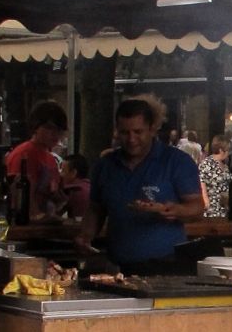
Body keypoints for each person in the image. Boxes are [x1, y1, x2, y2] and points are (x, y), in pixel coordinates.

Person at [76, 96, 204, 272]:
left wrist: (170, 210)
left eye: (138, 132)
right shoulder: (105, 165)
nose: (131, 139)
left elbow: (197, 207)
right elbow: (96, 209)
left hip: (167, 265)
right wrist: (86, 235)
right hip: (117, 267)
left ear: (152, 129)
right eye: (124, 132)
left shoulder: (177, 161)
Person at [3, 100, 70, 222]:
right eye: (49, 128)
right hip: (27, 226)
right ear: (35, 127)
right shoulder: (24, 154)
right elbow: (19, 196)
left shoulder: (50, 158)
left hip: (45, 226)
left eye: (59, 130)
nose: (55, 134)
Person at [199, 136, 232, 218]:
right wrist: (206, 201)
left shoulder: (224, 165)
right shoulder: (206, 164)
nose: (229, 153)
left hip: (225, 204)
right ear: (221, 150)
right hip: (212, 204)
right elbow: (201, 183)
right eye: (228, 150)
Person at [59, 154, 91, 219]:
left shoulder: (73, 190)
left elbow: (55, 213)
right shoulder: (90, 187)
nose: (60, 174)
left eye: (63, 170)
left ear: (73, 173)